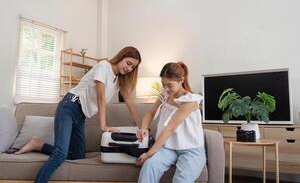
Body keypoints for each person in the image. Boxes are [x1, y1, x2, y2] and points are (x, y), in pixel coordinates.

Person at [15, 46, 142, 183]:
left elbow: (129, 101)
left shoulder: (119, 81)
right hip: (69, 106)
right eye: (128, 63)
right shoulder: (104, 66)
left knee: (77, 156)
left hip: (80, 115)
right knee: (59, 154)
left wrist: (142, 126)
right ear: (121, 56)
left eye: (133, 67)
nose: (129, 68)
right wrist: (104, 125)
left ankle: (38, 144)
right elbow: (101, 98)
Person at [136, 62, 206, 183]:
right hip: (169, 148)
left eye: (169, 85)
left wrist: (149, 153)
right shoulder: (164, 94)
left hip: (191, 150)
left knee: (181, 180)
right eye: (163, 84)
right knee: (150, 166)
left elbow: (170, 128)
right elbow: (150, 113)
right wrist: (144, 128)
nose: (166, 89)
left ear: (181, 80)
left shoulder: (190, 101)